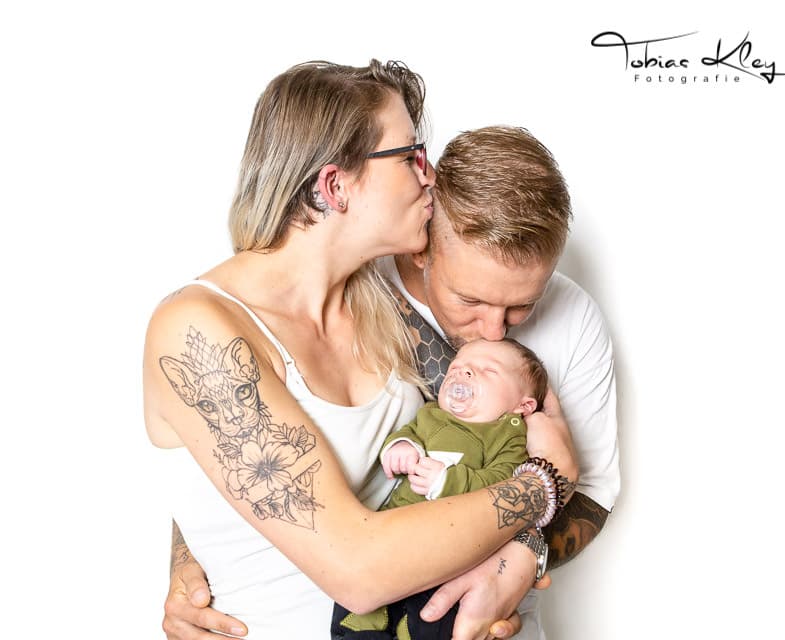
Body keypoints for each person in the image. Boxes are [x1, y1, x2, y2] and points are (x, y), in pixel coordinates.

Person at [145, 62, 577, 640]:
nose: (430, 177)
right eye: (410, 157)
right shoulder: (195, 331)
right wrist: (545, 482)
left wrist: (522, 555)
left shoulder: (379, 302)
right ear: (335, 186)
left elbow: (471, 436)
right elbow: (359, 570)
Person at [331, 337, 550, 640]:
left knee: (428, 621)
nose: (464, 373)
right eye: (457, 367)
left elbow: (504, 485)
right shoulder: (431, 414)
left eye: (488, 370)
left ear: (522, 406)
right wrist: (402, 446)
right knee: (358, 615)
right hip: (395, 535)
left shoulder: (507, 435)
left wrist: (448, 481)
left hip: (453, 553)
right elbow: (409, 432)